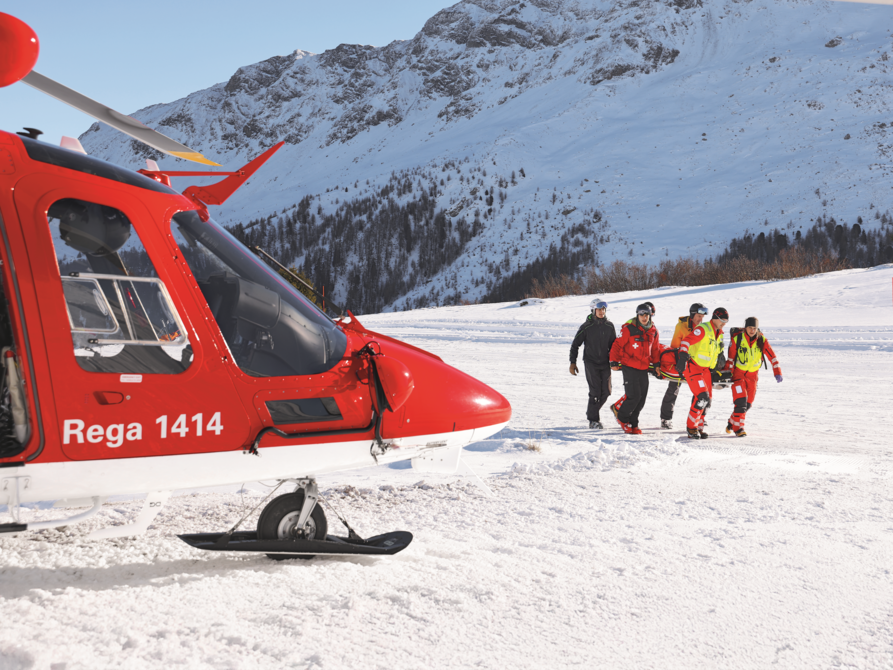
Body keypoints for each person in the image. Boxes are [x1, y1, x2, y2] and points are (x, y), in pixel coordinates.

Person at [724, 317, 783, 437]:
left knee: (748, 404)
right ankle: (738, 428)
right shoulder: (738, 339)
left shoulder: (762, 339)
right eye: (750, 328)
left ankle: (732, 421)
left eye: (754, 328)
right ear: (745, 327)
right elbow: (730, 358)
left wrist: (777, 371)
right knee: (740, 402)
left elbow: (772, 356)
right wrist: (727, 373)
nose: (752, 330)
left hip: (753, 376)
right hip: (738, 375)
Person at [676, 307, 728, 439]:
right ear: (715, 318)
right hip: (693, 367)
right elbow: (686, 341)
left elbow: (716, 352)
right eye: (722, 320)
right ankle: (691, 428)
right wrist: (682, 357)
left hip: (705, 370)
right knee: (702, 398)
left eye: (726, 321)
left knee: (708, 401)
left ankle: (699, 427)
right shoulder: (703, 329)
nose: (724, 323)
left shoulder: (719, 332)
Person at [609, 303, 660, 434]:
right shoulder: (628, 329)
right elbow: (617, 344)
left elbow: (655, 349)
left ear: (650, 315)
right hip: (629, 365)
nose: (644, 317)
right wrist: (613, 361)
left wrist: (657, 365)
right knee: (634, 396)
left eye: (646, 315)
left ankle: (633, 423)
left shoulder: (653, 330)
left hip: (643, 367)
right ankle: (623, 419)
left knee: (642, 398)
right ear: (637, 315)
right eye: (641, 314)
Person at [660, 303, 709, 429]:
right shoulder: (682, 326)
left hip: (697, 365)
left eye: (702, 317)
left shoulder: (704, 328)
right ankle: (666, 418)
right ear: (692, 315)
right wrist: (681, 361)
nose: (701, 319)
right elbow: (675, 346)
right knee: (673, 390)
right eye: (698, 316)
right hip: (681, 363)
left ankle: (699, 417)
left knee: (700, 392)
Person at [569, 298, 616, 429]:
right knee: (595, 392)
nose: (602, 312)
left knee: (606, 392)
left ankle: (591, 411)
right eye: (599, 309)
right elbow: (575, 345)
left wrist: (617, 361)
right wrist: (573, 362)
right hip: (591, 363)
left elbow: (614, 346)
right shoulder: (586, 326)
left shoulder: (609, 326)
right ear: (593, 310)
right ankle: (593, 420)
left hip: (605, 363)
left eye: (603, 309)